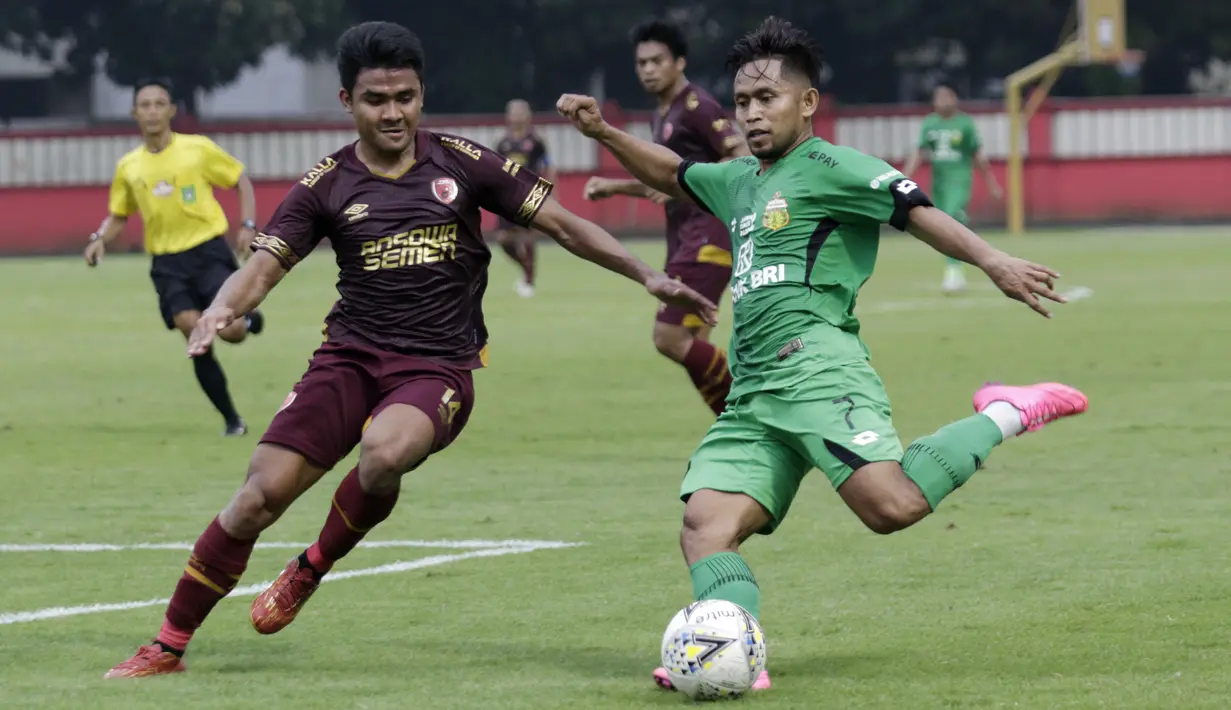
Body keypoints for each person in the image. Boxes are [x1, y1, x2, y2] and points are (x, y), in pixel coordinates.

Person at [103, 21, 716, 679]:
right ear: (347, 101)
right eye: (376, 100)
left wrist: (644, 273)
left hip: (437, 368)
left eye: (405, 97)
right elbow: (262, 267)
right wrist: (222, 308)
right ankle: (167, 645)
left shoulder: (462, 161)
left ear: (421, 95)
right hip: (348, 359)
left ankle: (312, 565)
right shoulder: (327, 183)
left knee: (384, 453)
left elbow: (562, 224)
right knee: (257, 497)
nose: (393, 112)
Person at [557, 16, 1087, 693]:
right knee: (704, 525)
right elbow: (676, 171)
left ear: (805, 103)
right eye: (743, 101)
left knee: (889, 508)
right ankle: (734, 652)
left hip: (817, 370)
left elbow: (913, 209)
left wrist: (990, 259)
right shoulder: (741, 178)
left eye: (767, 98)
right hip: (752, 396)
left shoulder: (835, 167)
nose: (751, 113)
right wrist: (603, 134)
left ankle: (1007, 411)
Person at [584, 19, 749, 416]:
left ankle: (751, 412)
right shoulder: (663, 114)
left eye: (657, 60)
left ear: (679, 62)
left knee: (668, 337)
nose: (648, 69)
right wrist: (615, 187)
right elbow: (671, 181)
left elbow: (739, 157)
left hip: (708, 238)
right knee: (694, 342)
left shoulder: (697, 106)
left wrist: (697, 185)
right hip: (686, 237)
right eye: (641, 63)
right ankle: (735, 426)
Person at [84, 78, 264, 436]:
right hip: (167, 264)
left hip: (208, 252)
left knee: (231, 334)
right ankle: (232, 419)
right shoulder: (129, 167)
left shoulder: (196, 149)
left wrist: (247, 224)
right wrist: (100, 238)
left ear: (170, 111)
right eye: (144, 104)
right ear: (134, 114)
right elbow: (120, 214)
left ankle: (249, 321)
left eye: (158, 103)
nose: (151, 111)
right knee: (192, 332)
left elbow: (240, 179)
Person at [902, 81, 1004, 294]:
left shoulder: (965, 124)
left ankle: (954, 270)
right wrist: (902, 178)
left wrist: (992, 182)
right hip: (939, 181)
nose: (940, 101)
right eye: (937, 97)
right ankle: (954, 268)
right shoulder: (930, 123)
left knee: (953, 217)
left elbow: (977, 154)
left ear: (954, 98)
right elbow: (919, 152)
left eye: (945, 96)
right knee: (942, 223)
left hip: (959, 179)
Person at [493, 99, 556, 298]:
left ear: (528, 116)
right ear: (508, 116)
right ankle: (526, 267)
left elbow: (548, 164)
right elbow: (495, 167)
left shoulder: (536, 140)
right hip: (507, 193)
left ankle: (529, 281)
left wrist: (549, 189)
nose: (517, 116)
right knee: (503, 239)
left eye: (521, 112)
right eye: (514, 112)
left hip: (531, 191)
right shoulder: (502, 142)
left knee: (527, 235)